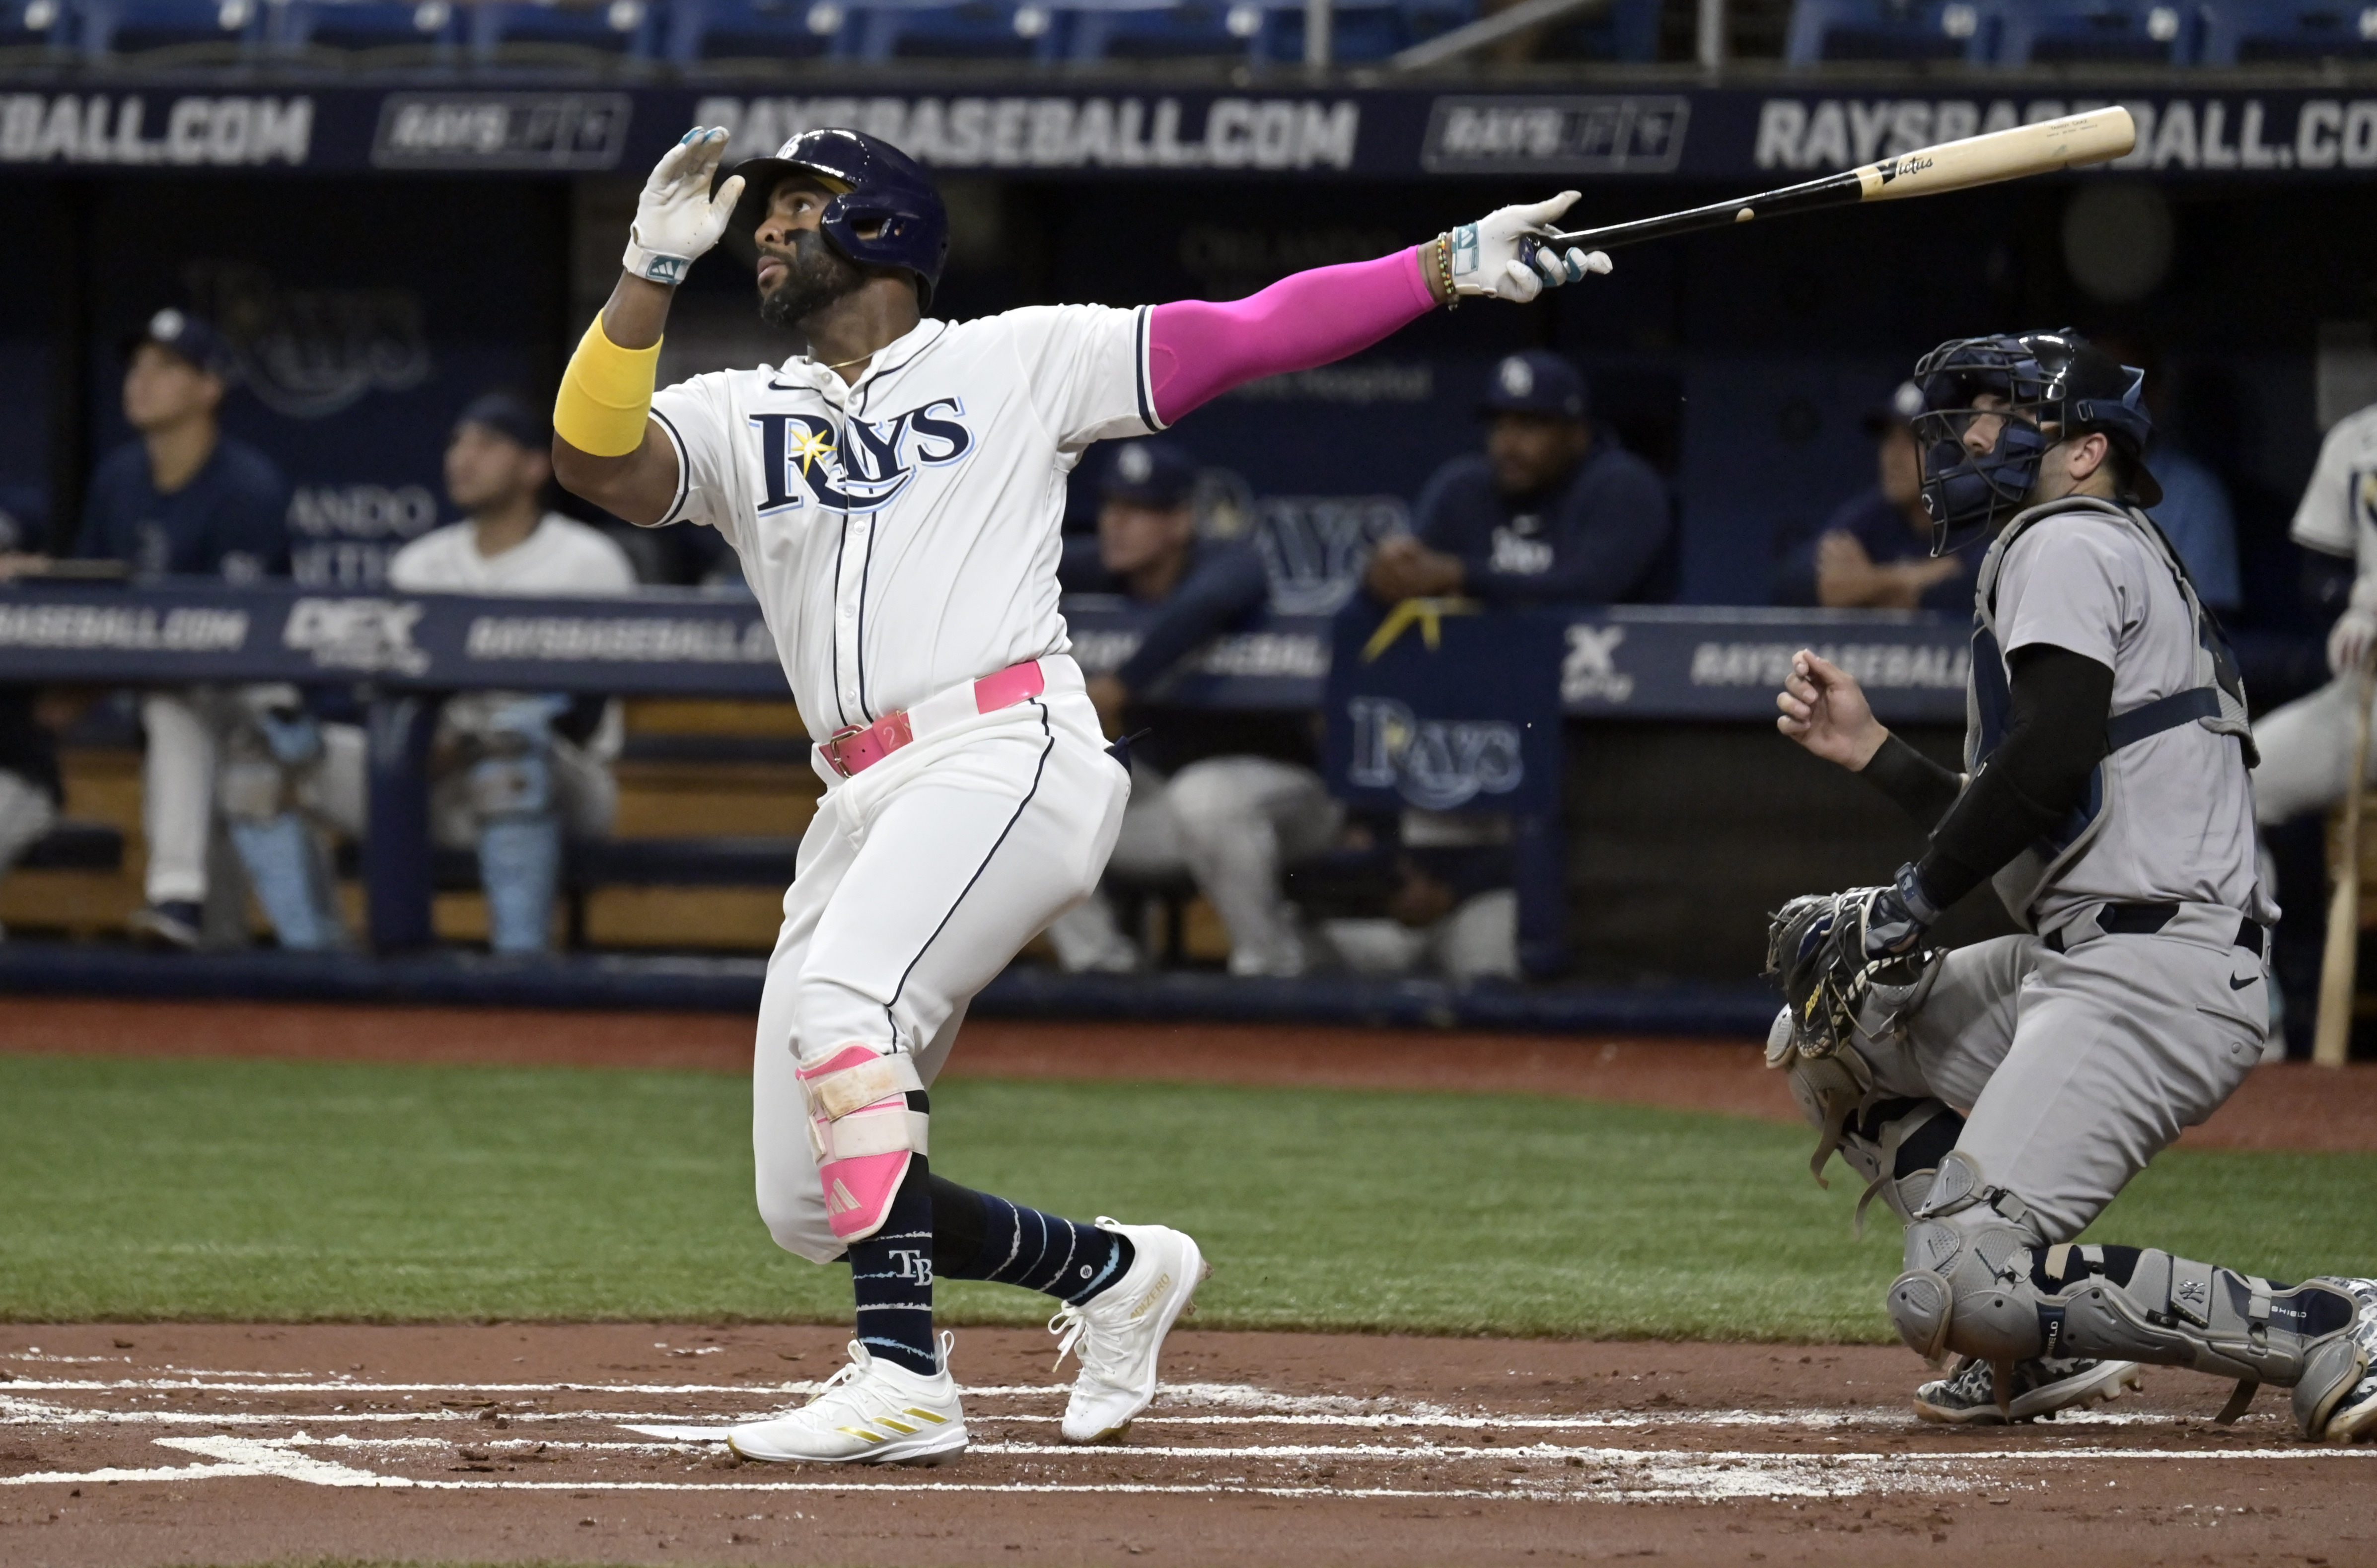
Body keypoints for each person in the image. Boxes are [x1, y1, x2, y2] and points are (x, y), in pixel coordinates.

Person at [548, 124, 1612, 1465]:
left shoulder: (1015, 356)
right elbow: (596, 461)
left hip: (1007, 747)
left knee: (844, 1005)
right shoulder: (737, 409)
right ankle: (1111, 1269)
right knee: (808, 1199)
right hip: (861, 793)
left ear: (878, 225)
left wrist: (1441, 267)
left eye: (799, 205)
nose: (764, 228)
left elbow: (1251, 328)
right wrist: (646, 269)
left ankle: (902, 1368)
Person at [1767, 330, 2377, 1436]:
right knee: (1836, 1031)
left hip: (2149, 971)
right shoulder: (2099, 545)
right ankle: (2031, 1348)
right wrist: (1877, 757)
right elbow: (2038, 803)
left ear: (2085, 448)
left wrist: (1907, 903)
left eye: (2005, 413)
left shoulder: (2061, 537)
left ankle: (2321, 1319)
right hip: (2099, 953)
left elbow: (2044, 765)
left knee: (1955, 1283)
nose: (1971, 433)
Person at [223, 392, 638, 956]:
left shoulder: (589, 560)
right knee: (260, 759)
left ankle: (519, 975)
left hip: (558, 780)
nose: (461, 458)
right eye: (456, 444)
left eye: (486, 445)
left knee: (504, 750)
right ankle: (319, 966)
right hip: (429, 779)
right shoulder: (418, 564)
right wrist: (418, 745)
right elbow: (376, 697)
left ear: (534, 466)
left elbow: (585, 715)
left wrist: (463, 739)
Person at [1044, 437, 1339, 977]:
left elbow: (1209, 603)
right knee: (1039, 791)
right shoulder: (1106, 568)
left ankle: (1271, 968)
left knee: (1203, 796)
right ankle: (1101, 972)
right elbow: (1030, 565)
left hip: (1288, 799)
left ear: (1179, 522)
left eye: (1139, 511)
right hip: (1171, 805)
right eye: (1112, 506)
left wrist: (1123, 684)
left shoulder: (1230, 562)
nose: (1116, 523)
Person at [74, 309, 289, 949]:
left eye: (166, 367)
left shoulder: (247, 487)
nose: (141, 380)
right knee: (166, 705)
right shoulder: (118, 477)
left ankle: (176, 897)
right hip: (140, 685)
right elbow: (87, 594)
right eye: (138, 366)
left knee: (175, 700)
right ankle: (183, 909)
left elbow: (233, 631)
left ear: (208, 388)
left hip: (251, 693)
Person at [1365, 351, 1668, 608]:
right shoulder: (1464, 487)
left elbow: (1589, 588)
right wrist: (1384, 575)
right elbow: (1415, 573)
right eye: (1499, 425)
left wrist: (1460, 576)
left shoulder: (1621, 485)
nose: (1507, 445)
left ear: (1577, 435)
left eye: (1529, 425)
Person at [2245, 398, 2377, 831]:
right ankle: (2247, 901)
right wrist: (2355, 603)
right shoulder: (2356, 439)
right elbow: (2319, 581)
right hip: (2367, 697)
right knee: (2241, 789)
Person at [1772, 380, 1968, 612]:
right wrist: (1907, 580)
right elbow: (1792, 582)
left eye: (1912, 442)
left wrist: (1861, 588)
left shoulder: (1981, 513)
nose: (1892, 456)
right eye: (1888, 440)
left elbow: (1969, 589)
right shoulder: (1874, 513)